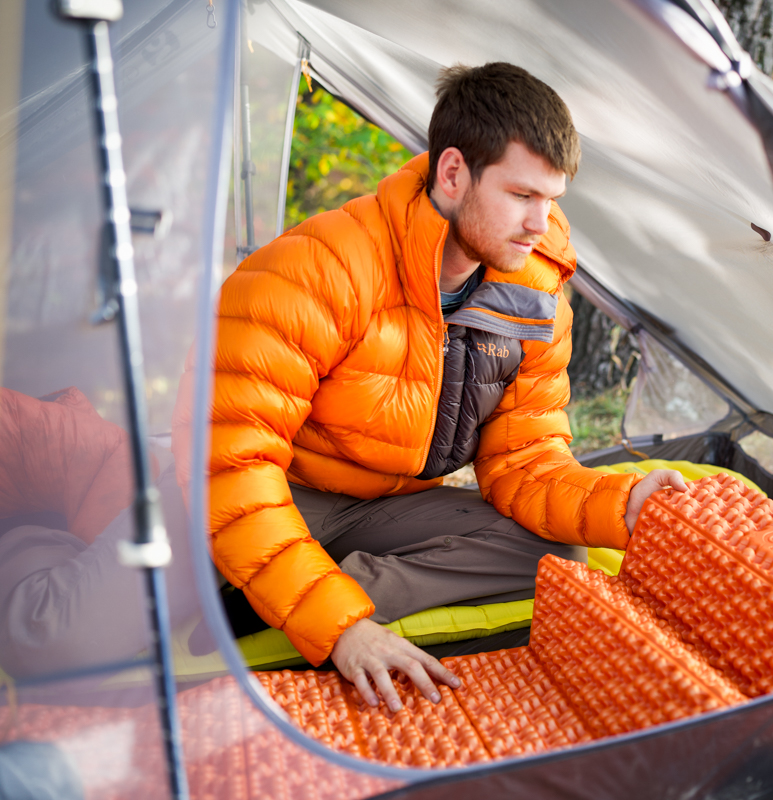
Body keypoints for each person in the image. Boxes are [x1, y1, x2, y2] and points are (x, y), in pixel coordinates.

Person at [195, 62, 686, 712]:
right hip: (284, 490)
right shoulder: (317, 268)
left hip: (383, 513)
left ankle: (277, 601)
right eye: (521, 195)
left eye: (552, 200)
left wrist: (622, 505)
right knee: (63, 624)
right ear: (453, 175)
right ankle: (263, 588)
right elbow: (232, 464)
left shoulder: (533, 292)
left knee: (555, 553)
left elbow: (525, 462)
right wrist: (341, 632)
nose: (541, 223)